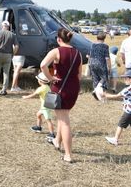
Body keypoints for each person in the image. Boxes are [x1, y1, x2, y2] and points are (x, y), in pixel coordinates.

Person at [40, 28, 82, 163]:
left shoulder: (56, 51)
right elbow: (79, 75)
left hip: (60, 89)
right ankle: (57, 141)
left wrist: (50, 78)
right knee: (63, 116)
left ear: (59, 39)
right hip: (73, 88)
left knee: (64, 121)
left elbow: (43, 65)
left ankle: (68, 155)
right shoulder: (78, 53)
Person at [104, 70, 131, 146]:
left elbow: (117, 96)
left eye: (126, 78)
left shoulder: (128, 89)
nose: (124, 80)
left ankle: (115, 139)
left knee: (120, 124)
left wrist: (106, 95)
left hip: (129, 112)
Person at [22, 72, 55, 140]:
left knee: (48, 120)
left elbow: (33, 95)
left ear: (40, 81)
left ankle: (52, 134)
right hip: (46, 105)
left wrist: (26, 97)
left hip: (46, 107)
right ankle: (38, 127)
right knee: (38, 115)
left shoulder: (41, 88)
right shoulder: (47, 87)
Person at [0, 21, 16, 95]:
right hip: (8, 55)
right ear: (8, 27)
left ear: (2, 26)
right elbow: (16, 46)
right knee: (6, 73)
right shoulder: (12, 35)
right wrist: (13, 54)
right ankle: (4, 90)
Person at [88, 32, 111, 100]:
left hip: (92, 63)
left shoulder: (93, 45)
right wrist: (109, 67)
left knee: (95, 79)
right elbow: (107, 58)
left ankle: (98, 96)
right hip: (101, 63)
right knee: (104, 78)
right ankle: (96, 91)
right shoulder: (105, 46)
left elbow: (90, 55)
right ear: (104, 38)